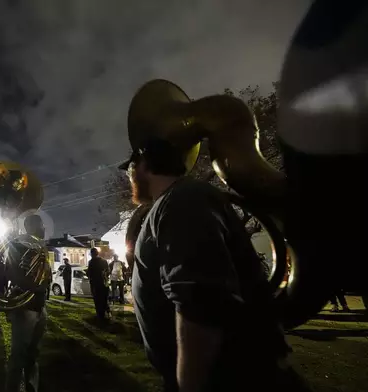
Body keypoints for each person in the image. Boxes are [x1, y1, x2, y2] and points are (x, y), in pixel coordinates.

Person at [121, 136, 312, 392]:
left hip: (229, 380)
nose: (129, 177)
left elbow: (200, 303)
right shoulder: (177, 200)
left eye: (130, 169)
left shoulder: (183, 199)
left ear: (142, 163)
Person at [2, 214, 51, 392]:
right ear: (32, 226)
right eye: (41, 225)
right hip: (25, 308)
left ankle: (31, 388)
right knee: (18, 356)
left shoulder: (41, 247)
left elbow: (45, 275)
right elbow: (12, 274)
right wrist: (35, 286)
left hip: (39, 306)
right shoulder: (17, 245)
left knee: (33, 354)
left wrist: (42, 284)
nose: (44, 228)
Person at [87, 248, 110, 321]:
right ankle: (106, 313)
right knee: (104, 299)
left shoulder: (91, 262)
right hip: (104, 283)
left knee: (97, 300)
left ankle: (100, 315)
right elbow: (108, 271)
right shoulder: (104, 261)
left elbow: (89, 273)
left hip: (95, 284)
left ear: (92, 254)